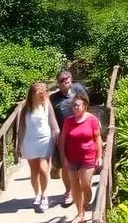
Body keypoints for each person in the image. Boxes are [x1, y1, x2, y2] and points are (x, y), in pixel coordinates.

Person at [58, 92, 103, 223]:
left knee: (85, 184)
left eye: (77, 105)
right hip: (72, 158)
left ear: (84, 106)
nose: (75, 108)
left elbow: (98, 138)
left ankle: (87, 200)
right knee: (74, 185)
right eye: (73, 105)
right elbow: (62, 139)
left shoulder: (92, 120)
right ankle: (80, 213)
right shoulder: (68, 121)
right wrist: (63, 157)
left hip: (88, 157)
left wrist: (99, 156)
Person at [15, 82, 59, 212]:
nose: (41, 95)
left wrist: (58, 137)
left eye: (43, 93)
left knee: (43, 169)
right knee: (34, 171)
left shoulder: (47, 104)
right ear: (32, 94)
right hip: (29, 142)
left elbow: (53, 122)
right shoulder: (25, 108)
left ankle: (45, 195)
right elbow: (21, 128)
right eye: (38, 93)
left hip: (45, 141)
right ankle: (37, 194)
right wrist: (18, 146)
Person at [50, 69, 90, 206]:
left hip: (80, 133)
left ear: (71, 78)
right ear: (58, 83)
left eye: (67, 78)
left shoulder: (78, 89)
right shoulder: (53, 99)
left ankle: (80, 189)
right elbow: (51, 117)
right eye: (61, 80)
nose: (65, 81)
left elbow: (86, 106)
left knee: (81, 163)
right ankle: (68, 191)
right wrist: (55, 131)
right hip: (63, 136)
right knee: (65, 165)